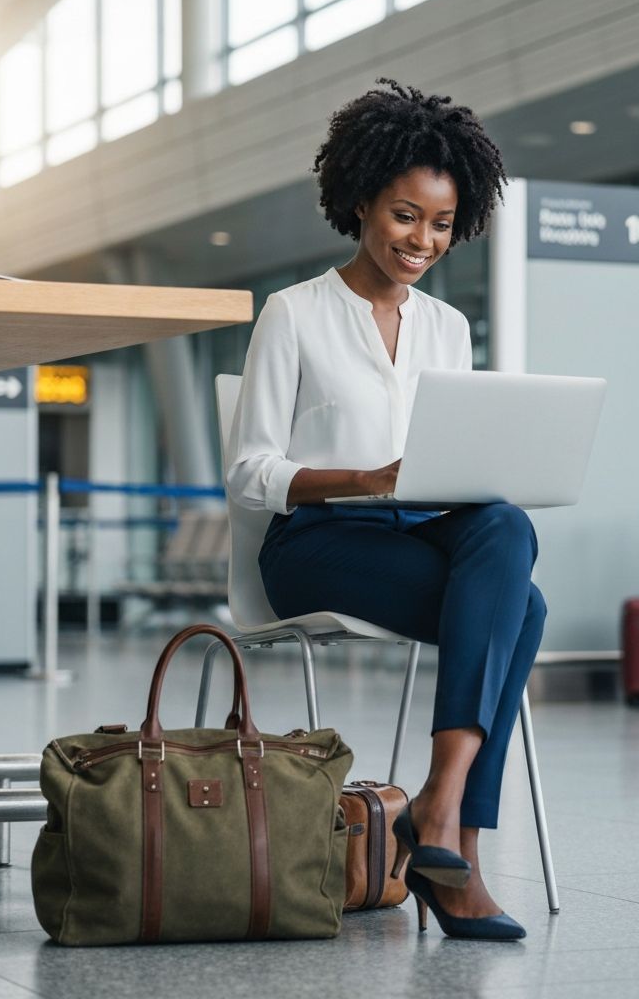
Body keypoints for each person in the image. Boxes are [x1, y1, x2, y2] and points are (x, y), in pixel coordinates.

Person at [227, 79, 546, 941]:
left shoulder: (449, 327)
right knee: (527, 607)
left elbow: (452, 458)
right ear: (361, 199)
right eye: (407, 216)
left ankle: (440, 814)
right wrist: (366, 479)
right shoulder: (293, 315)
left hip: (417, 533)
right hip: (315, 545)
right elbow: (251, 472)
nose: (423, 240)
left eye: (441, 224)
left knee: (509, 524)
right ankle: (457, 845)